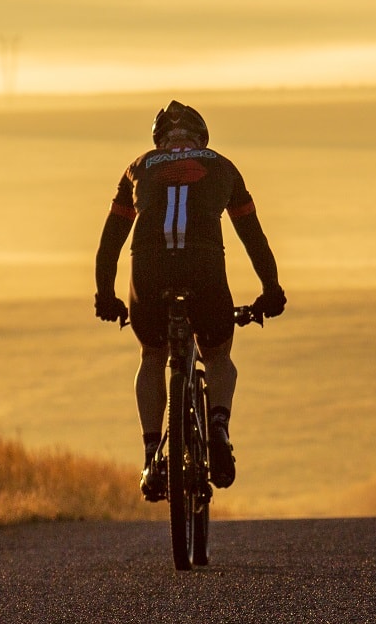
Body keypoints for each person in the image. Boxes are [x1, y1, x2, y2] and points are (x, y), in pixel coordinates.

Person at [95, 100, 286, 498]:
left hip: (148, 269)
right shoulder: (222, 164)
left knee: (151, 355)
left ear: (160, 139)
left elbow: (110, 243)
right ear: (201, 137)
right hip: (205, 268)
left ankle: (151, 458)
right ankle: (217, 426)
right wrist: (271, 290)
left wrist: (106, 295)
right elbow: (253, 237)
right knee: (217, 354)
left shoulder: (138, 166)